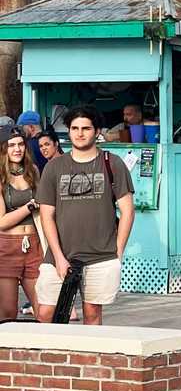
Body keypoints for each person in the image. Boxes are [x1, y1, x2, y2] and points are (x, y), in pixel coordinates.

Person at [35, 105, 135, 325]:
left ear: (97, 131)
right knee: (45, 314)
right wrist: (59, 257)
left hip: (100, 255)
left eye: (86, 128)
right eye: (74, 128)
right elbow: (46, 216)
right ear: (68, 132)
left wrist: (118, 250)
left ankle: (88, 359)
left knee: (92, 314)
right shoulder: (54, 167)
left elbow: (128, 210)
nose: (80, 133)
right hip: (59, 255)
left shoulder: (113, 163)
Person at [0, 127, 43, 320]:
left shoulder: (32, 170)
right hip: (7, 246)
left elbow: (44, 208)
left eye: (20, 144)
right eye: (11, 145)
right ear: (3, 149)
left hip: (34, 244)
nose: (17, 149)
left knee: (43, 309)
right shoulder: (1, 177)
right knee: (8, 312)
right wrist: (29, 207)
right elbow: (1, 222)